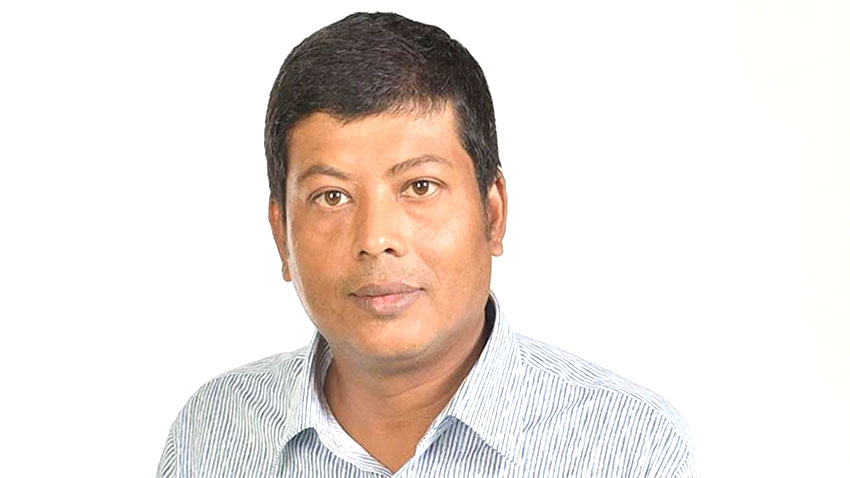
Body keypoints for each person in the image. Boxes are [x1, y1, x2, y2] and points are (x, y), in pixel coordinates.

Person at [157, 12, 697, 477]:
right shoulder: (212, 434)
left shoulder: (629, 446)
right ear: (282, 235)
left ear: (492, 213)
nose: (376, 239)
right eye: (331, 196)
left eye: (420, 187)